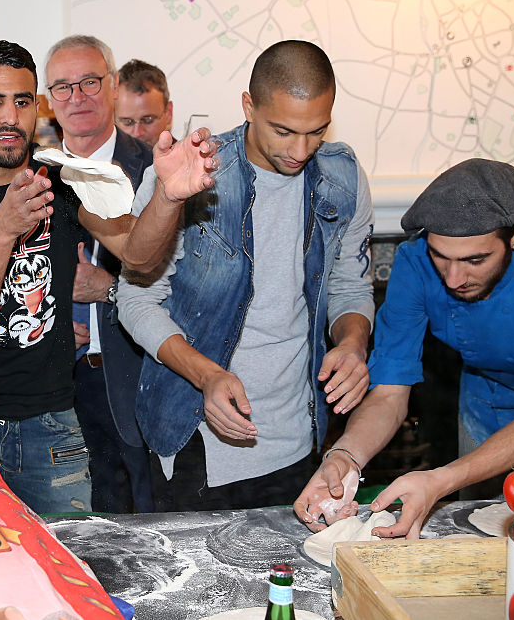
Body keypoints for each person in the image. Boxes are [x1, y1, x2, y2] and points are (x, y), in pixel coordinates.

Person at [0, 40, 217, 515]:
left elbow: (139, 254)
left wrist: (169, 197)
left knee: (65, 575)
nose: (10, 118)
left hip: (51, 426)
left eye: (23, 101)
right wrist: (3, 230)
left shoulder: (61, 177)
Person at [117, 40, 375, 511]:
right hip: (195, 439)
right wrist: (208, 375)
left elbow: (349, 286)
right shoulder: (191, 175)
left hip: (300, 440)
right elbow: (134, 301)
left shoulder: (343, 176)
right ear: (248, 106)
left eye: (316, 131)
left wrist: (353, 343)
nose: (300, 150)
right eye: (283, 130)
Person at [294, 159, 514, 538]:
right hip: (485, 410)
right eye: (442, 256)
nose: (454, 279)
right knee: (481, 538)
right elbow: (389, 394)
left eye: (475, 259)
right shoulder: (415, 261)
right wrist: (345, 457)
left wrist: (440, 480)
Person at [44, 34, 155, 513]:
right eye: (62, 87)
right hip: (51, 387)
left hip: (134, 380)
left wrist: (109, 289)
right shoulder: (31, 174)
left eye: (90, 81)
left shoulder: (156, 171)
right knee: (64, 532)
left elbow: (193, 291)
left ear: (112, 85)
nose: (77, 97)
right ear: (49, 100)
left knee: (146, 528)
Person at [115, 59, 173, 147]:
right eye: (128, 122)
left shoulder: (189, 159)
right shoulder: (98, 159)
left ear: (168, 113)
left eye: (147, 120)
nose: (137, 133)